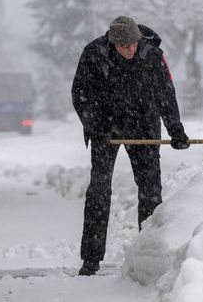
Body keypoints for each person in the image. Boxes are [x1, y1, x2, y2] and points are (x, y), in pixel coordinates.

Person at [71, 16, 190, 276]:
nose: (131, 50)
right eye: (125, 46)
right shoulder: (93, 54)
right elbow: (80, 94)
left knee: (150, 190)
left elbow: (166, 93)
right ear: (113, 43)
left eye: (134, 44)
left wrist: (176, 130)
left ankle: (147, 256)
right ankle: (90, 259)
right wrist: (95, 126)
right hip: (106, 128)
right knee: (99, 189)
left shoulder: (152, 54)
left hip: (144, 125)